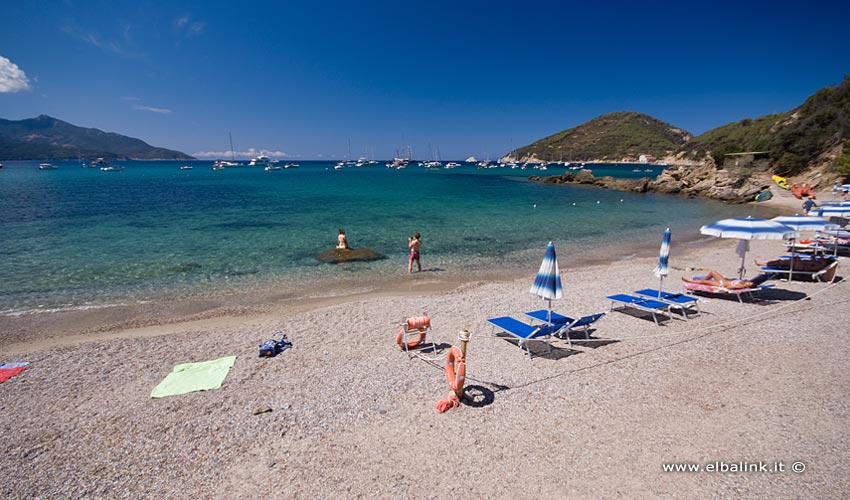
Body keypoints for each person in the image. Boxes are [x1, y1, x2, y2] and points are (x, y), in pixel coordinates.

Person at [681, 271, 755, 290]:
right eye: (749, 282)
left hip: (720, 284)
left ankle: (689, 281)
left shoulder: (740, 286)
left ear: (748, 286)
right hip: (723, 280)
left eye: (749, 283)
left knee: (704, 282)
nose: (748, 282)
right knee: (713, 272)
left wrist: (734, 286)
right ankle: (701, 280)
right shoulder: (742, 282)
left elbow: (728, 288)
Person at [754, 255, 831, 272]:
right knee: (781, 262)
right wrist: (813, 258)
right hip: (799, 265)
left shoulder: (821, 264)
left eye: (823, 258)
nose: (822, 257)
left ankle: (761, 263)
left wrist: (799, 261)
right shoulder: (821, 263)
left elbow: (811, 268)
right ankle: (762, 263)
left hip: (800, 267)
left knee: (781, 262)